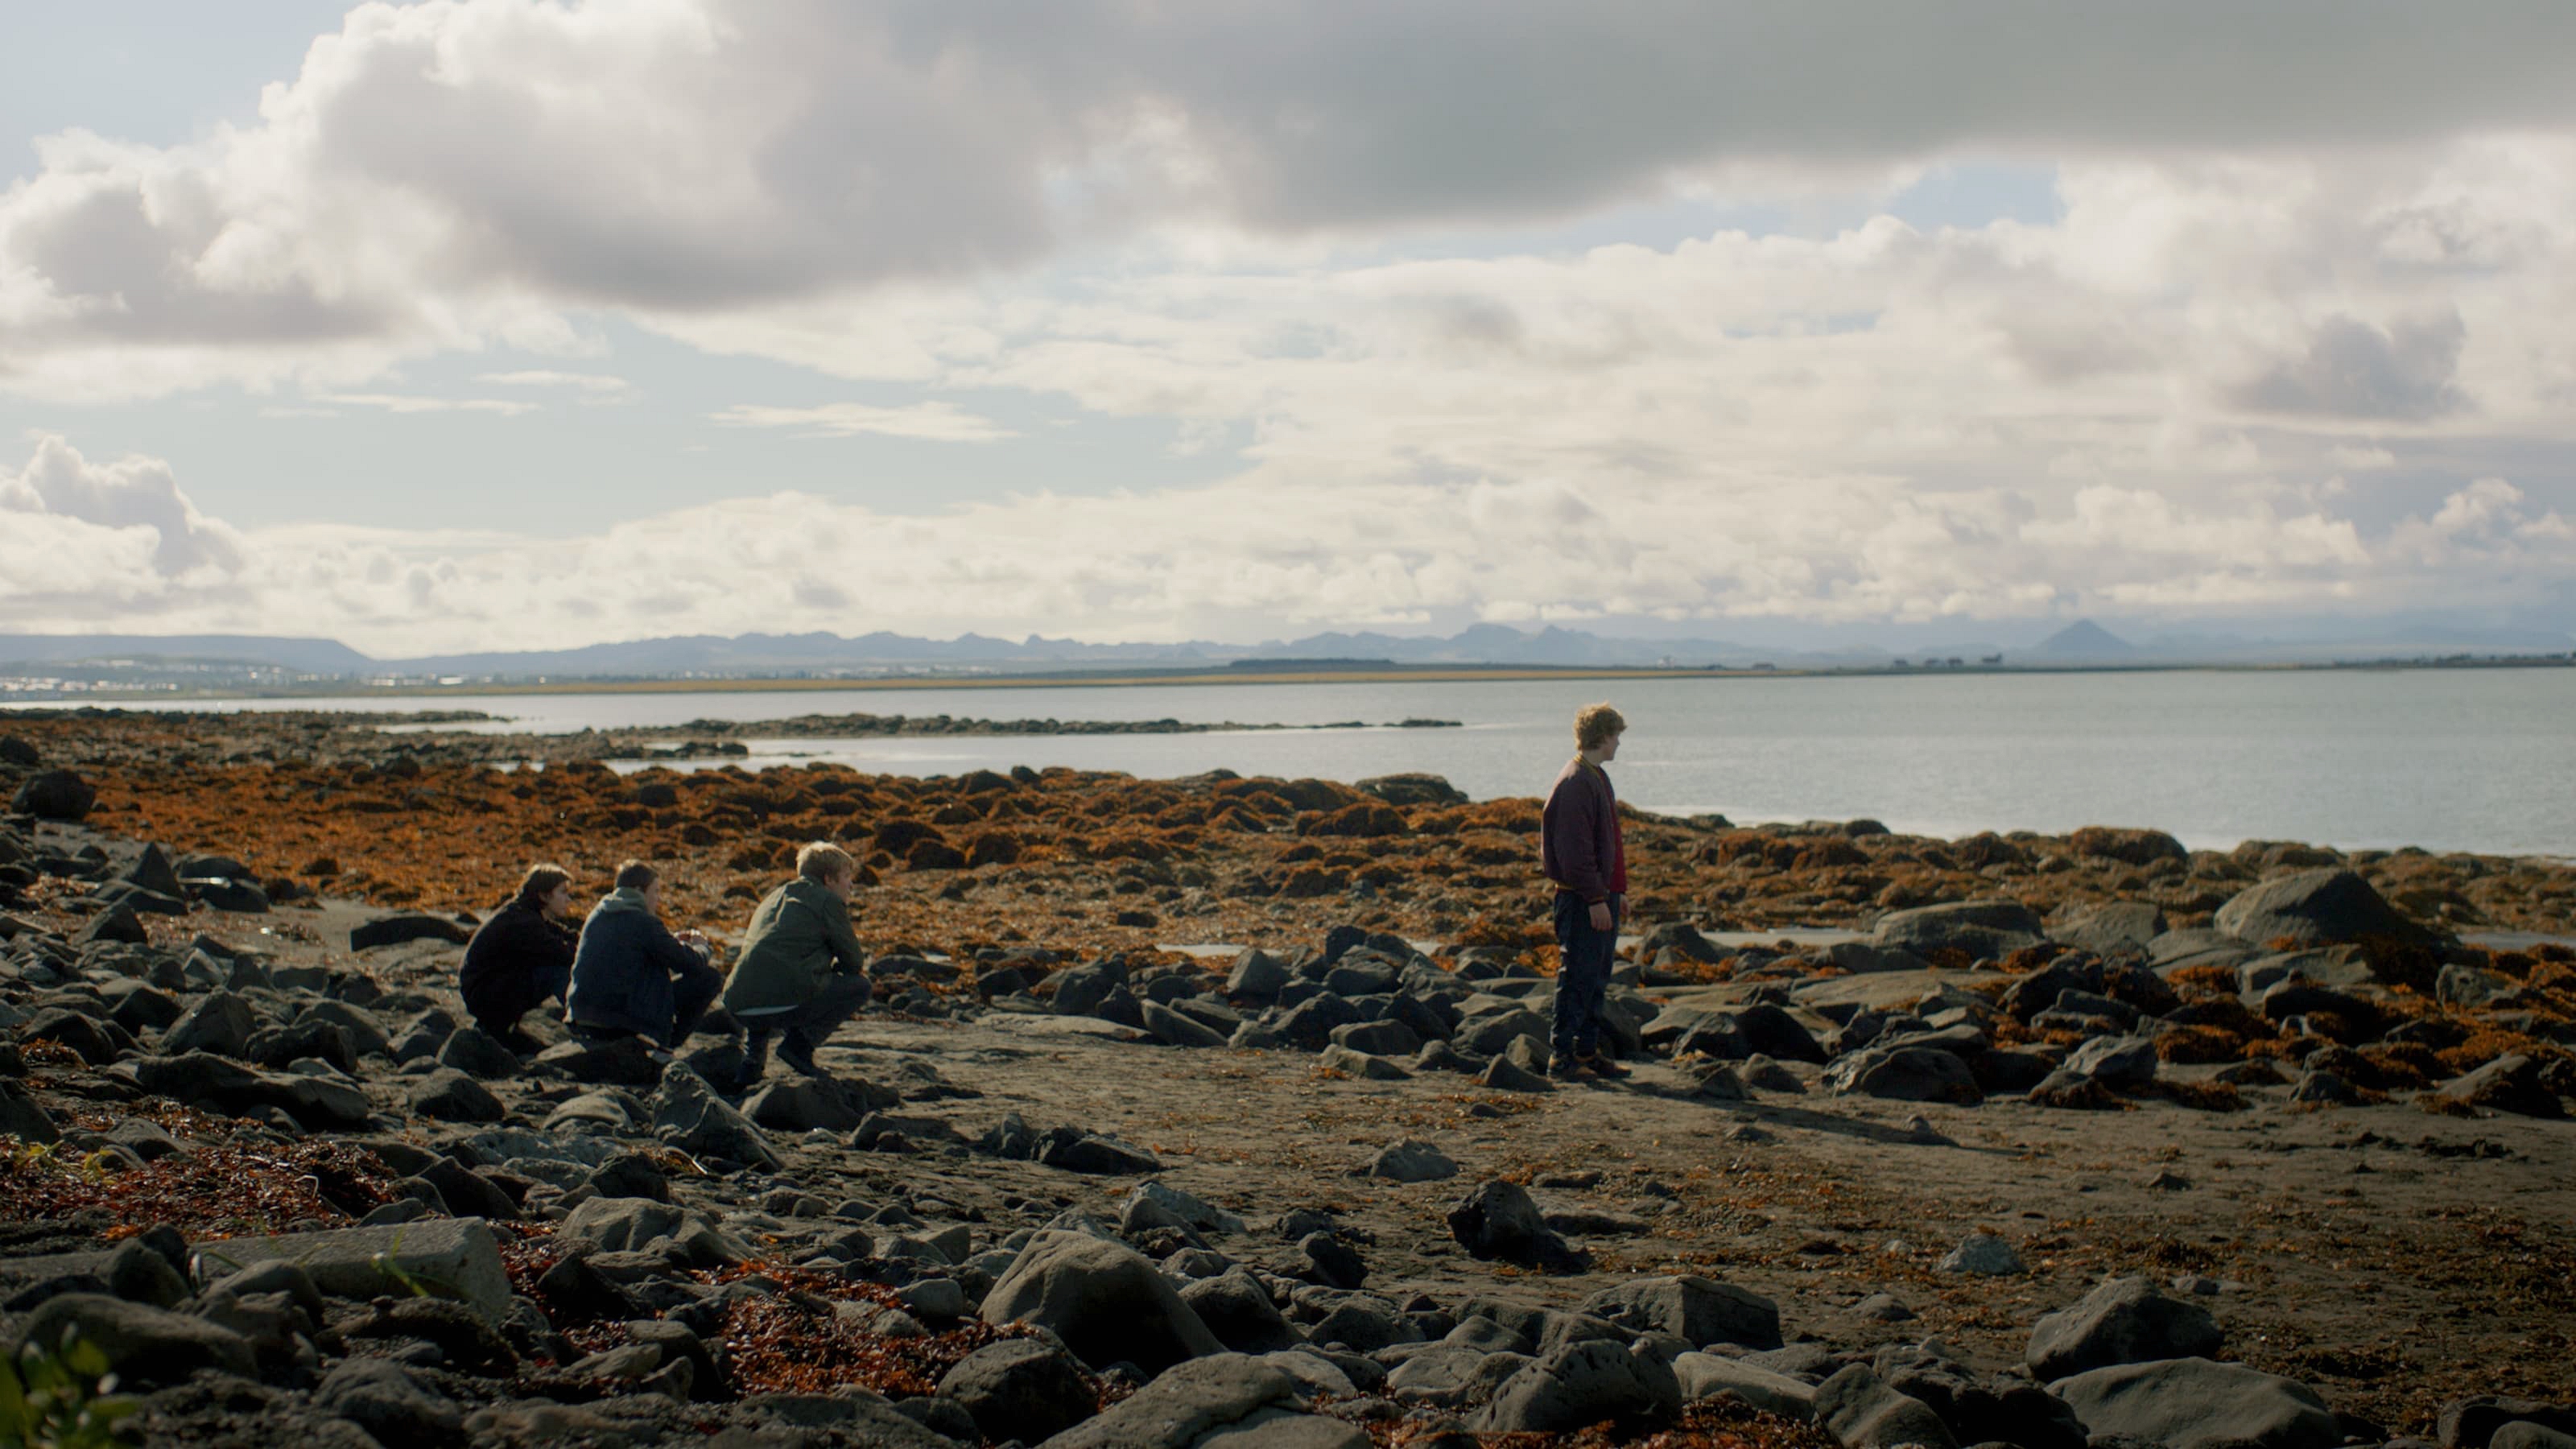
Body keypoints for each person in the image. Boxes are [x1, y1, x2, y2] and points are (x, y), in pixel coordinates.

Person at [721, 840, 874, 1089]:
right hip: (783, 1001)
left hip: (737, 1002)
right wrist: (829, 969)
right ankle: (799, 1046)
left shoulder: (773, 897)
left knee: (768, 976)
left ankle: (752, 1063)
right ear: (828, 879)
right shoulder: (827, 901)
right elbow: (854, 961)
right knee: (859, 986)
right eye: (847, 876)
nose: (851, 884)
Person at [1542, 702, 1630, 1082]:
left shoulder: (1595, 776)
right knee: (1577, 975)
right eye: (1616, 736)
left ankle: (1586, 1051)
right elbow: (1574, 852)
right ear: (1602, 736)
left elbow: (1609, 842)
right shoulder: (1577, 782)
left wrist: (1617, 891)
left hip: (1599, 895)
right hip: (1580, 899)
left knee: (1596, 977)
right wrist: (1596, 898)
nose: (1618, 743)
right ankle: (1562, 1057)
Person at [564, 859, 720, 1052]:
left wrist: (671, 940)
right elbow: (692, 964)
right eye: (655, 891)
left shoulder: (597, 915)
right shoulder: (644, 922)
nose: (658, 899)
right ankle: (666, 1044)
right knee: (709, 977)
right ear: (639, 891)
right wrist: (702, 947)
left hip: (581, 1014)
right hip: (621, 1020)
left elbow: (629, 948)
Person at [458, 862, 580, 1053]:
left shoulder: (524, 912)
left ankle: (500, 1029)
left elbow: (564, 936)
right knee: (556, 971)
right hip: (484, 996)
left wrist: (591, 941)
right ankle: (583, 1021)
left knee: (553, 967)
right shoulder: (523, 922)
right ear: (544, 895)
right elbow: (560, 952)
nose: (568, 899)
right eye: (563, 892)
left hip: (486, 990)